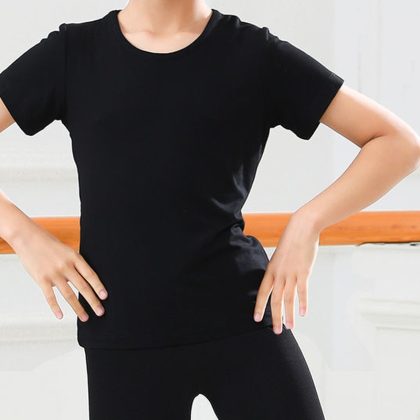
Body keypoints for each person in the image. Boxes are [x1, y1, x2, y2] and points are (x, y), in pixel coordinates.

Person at [0, 1, 419, 419]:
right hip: (125, 333)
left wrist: (308, 222)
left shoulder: (253, 53)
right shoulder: (73, 53)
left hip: (241, 317)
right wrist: (23, 234)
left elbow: (398, 143)